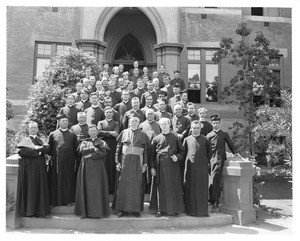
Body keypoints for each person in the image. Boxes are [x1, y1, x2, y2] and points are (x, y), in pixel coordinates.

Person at [114, 117, 150, 218]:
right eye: (132, 121)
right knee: (123, 185)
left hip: (138, 162)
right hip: (125, 161)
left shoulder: (143, 134)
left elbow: (146, 151)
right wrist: (117, 162)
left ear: (139, 123)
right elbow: (118, 148)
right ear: (129, 122)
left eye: (136, 121)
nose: (134, 123)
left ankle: (136, 210)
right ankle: (122, 209)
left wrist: (145, 164)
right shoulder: (124, 132)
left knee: (137, 185)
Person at [149, 118, 185, 217]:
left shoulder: (176, 137)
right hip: (160, 164)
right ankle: (161, 210)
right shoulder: (156, 138)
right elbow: (151, 155)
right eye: (162, 124)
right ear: (160, 126)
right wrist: (152, 167)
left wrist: (177, 157)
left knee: (174, 186)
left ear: (169, 125)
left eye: (165, 124)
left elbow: (182, 151)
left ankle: (175, 209)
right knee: (161, 187)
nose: (163, 126)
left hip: (172, 164)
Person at [74, 124, 110, 219]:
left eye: (94, 130)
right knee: (85, 187)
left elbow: (103, 152)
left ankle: (98, 212)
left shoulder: (101, 142)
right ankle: (84, 212)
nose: (93, 132)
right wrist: (94, 149)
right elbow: (82, 151)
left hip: (98, 168)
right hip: (85, 167)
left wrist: (91, 155)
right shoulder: (84, 141)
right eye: (91, 131)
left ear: (97, 132)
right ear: (88, 132)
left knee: (97, 188)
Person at [16, 121, 50, 217]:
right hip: (29, 169)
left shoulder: (41, 139)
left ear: (37, 129)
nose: (33, 129)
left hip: (40, 169)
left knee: (41, 187)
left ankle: (41, 211)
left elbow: (47, 149)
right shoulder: (25, 141)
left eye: (35, 127)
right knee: (30, 187)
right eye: (31, 128)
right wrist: (38, 151)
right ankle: (30, 211)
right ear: (28, 129)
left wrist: (36, 148)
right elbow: (24, 151)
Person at [206, 114, 236, 211]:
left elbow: (230, 145)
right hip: (210, 160)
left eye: (217, 123)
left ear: (220, 123)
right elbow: (205, 149)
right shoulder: (209, 135)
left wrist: (236, 153)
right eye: (214, 123)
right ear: (211, 123)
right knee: (211, 180)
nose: (215, 124)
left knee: (216, 179)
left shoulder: (224, 134)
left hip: (220, 160)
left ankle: (216, 200)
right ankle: (211, 199)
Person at [183, 120, 212, 217]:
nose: (195, 129)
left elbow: (210, 154)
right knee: (190, 189)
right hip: (190, 169)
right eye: (194, 128)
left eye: (197, 128)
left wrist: (207, 166)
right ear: (191, 128)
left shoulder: (206, 139)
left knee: (202, 189)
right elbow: (183, 154)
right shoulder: (187, 139)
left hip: (202, 168)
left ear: (201, 128)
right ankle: (190, 211)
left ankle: (203, 211)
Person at [48, 114, 78, 206]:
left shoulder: (72, 134)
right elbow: (49, 148)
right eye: (63, 121)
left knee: (68, 180)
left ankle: (68, 201)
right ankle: (55, 201)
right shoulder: (53, 134)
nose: (65, 122)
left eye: (66, 121)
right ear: (59, 122)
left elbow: (76, 148)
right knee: (55, 180)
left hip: (69, 162)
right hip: (56, 162)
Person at [97, 107, 120, 194]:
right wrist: (110, 133)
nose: (109, 113)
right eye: (107, 112)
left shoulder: (116, 123)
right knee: (103, 165)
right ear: (104, 113)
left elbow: (116, 134)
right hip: (102, 145)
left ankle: (112, 188)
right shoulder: (101, 122)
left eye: (110, 112)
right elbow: (98, 132)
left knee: (112, 166)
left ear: (113, 113)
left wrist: (105, 133)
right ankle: (103, 188)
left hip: (113, 146)